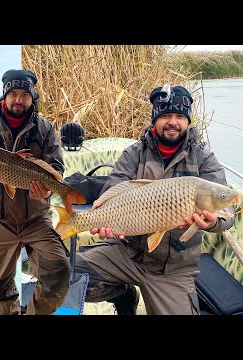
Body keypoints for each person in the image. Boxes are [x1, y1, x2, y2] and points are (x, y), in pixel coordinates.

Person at [74, 84, 236, 315]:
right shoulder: (134, 154)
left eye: (180, 116)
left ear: (188, 121)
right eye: (166, 115)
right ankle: (122, 294)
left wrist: (212, 223)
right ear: (154, 120)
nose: (173, 122)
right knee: (61, 276)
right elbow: (114, 188)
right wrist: (105, 219)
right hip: (125, 253)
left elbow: (228, 214)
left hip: (174, 269)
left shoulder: (204, 159)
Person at [0, 69, 70, 315]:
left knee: (59, 270)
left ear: (32, 98)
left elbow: (57, 169)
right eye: (13, 94)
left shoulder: (45, 128)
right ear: (5, 96)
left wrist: (47, 192)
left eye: (24, 95)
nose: (18, 100)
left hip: (36, 218)